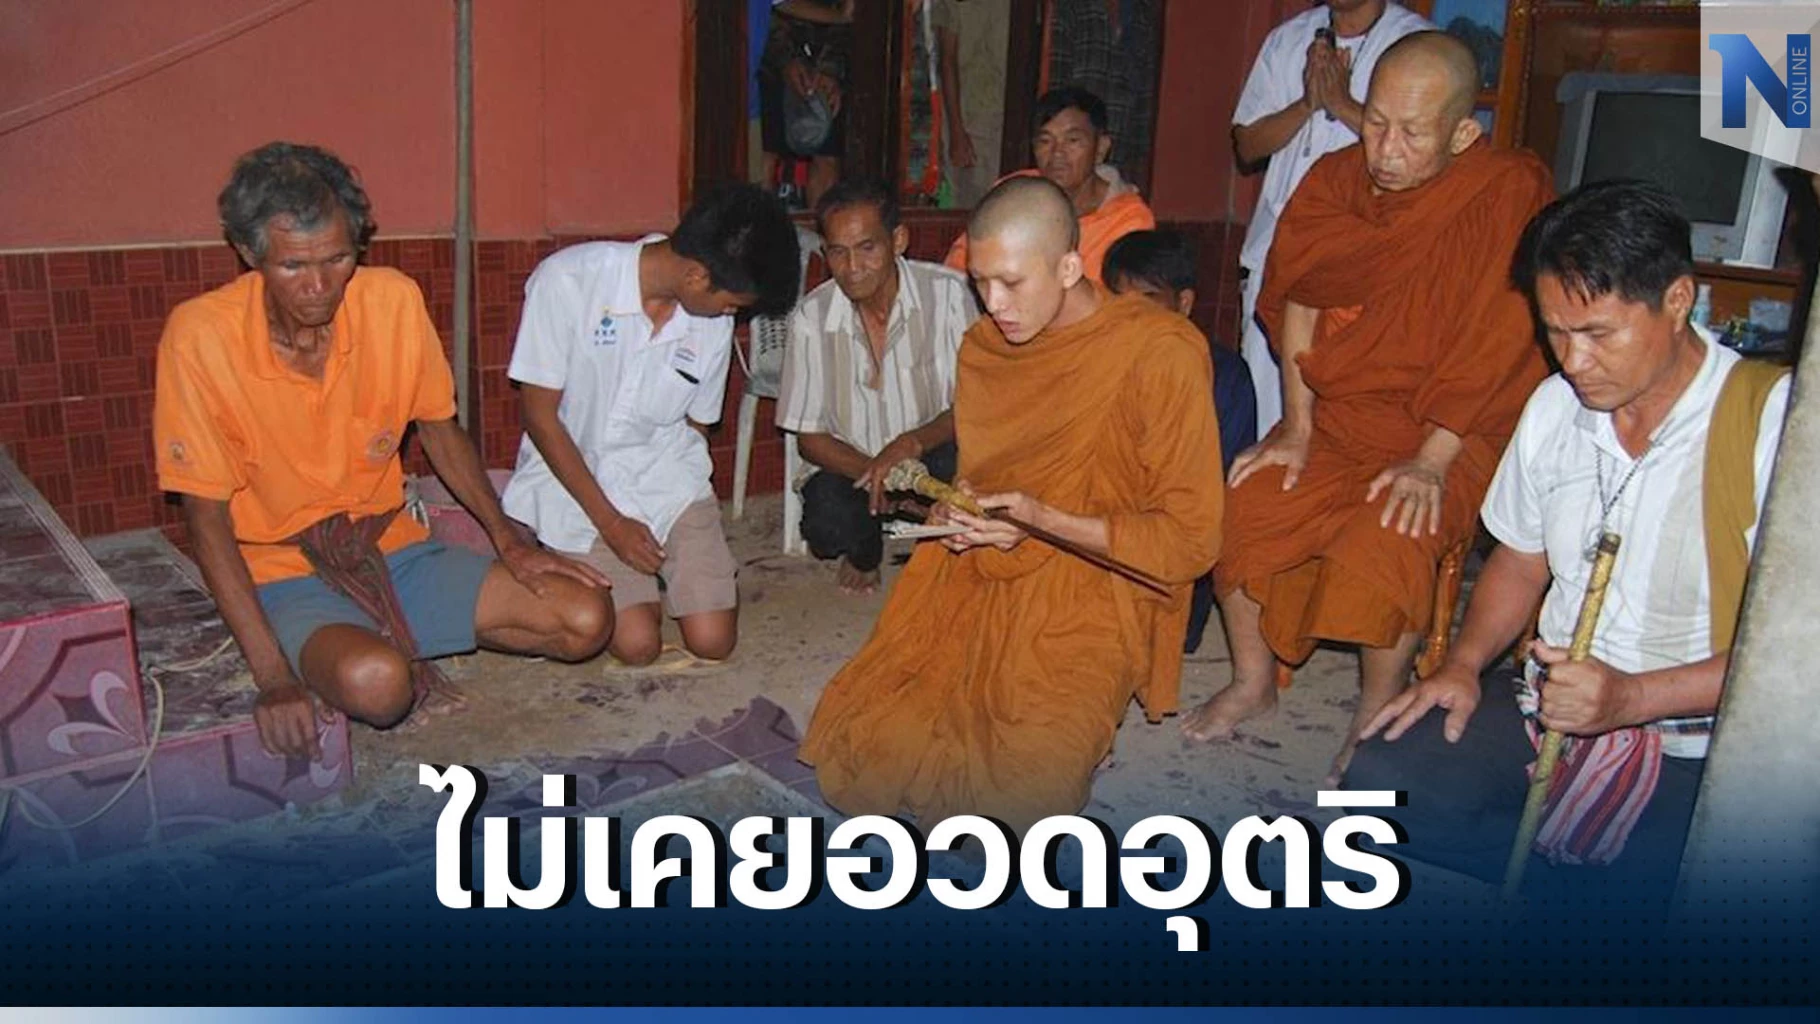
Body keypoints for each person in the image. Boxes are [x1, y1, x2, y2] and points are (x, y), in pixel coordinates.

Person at [1347, 180, 1791, 897]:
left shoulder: (1773, 426)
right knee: (1375, 791)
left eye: (1598, 334)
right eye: (1555, 332)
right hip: (1550, 704)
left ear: (1678, 300)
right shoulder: (1557, 406)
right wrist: (1463, 664)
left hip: (1694, 736)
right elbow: (1521, 562)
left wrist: (1631, 699)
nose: (1572, 361)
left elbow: (1792, 655)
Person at [154, 142, 613, 761]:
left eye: (338, 258)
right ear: (248, 252)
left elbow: (441, 430)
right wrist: (273, 676)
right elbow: (205, 518)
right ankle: (353, 643)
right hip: (284, 571)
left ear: (358, 245)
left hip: (390, 549)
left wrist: (510, 542)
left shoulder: (392, 300)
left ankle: (380, 628)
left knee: (584, 619)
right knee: (380, 686)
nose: (319, 286)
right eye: (293, 266)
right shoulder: (199, 336)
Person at [1179, 34, 1553, 784]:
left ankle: (1372, 712)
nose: (1385, 149)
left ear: (1462, 133)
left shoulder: (1506, 192)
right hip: (1340, 417)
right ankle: (1253, 682)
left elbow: (1501, 339)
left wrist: (1431, 461)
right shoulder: (1333, 181)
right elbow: (1299, 305)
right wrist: (1298, 427)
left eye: (1412, 133)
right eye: (1376, 122)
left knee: (1389, 536)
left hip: (1452, 428)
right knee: (1245, 500)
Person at [800, 177, 1224, 831]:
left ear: (1068, 267)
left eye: (1011, 283)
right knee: (871, 746)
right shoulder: (985, 349)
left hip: (1099, 580)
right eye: (980, 283)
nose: (994, 304)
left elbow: (1191, 540)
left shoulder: (1160, 351)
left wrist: (1041, 521)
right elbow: (984, 477)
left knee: (1019, 801)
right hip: (988, 563)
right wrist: (957, 510)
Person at [500, 183, 799, 666]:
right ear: (696, 276)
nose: (734, 315)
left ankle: (659, 572)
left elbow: (697, 428)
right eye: (734, 304)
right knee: (638, 646)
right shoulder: (567, 282)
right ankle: (577, 557)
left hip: (665, 478)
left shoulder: (711, 319)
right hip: (579, 483)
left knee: (712, 642)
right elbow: (538, 415)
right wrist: (612, 524)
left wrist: (686, 525)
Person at [1232, 0, 1432, 438]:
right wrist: (1307, 103)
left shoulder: (1416, 45)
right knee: (1266, 413)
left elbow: (1422, 153)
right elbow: (1247, 144)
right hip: (1278, 256)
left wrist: (1340, 102)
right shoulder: (1288, 39)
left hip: (1367, 259)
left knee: (1344, 416)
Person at [777, 178, 976, 595]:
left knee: (975, 478)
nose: (852, 267)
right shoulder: (812, 317)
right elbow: (809, 438)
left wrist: (909, 446)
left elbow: (976, 404)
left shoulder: (950, 295)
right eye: (838, 251)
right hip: (853, 465)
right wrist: (877, 474)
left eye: (867, 247)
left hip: (932, 449)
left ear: (898, 240)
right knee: (827, 524)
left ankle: (936, 550)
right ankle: (865, 552)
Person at [1103, 229, 1257, 655]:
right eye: (1120, 302)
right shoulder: (1098, 361)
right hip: (1101, 536)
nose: (1132, 317)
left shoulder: (1224, 375)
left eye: (1148, 301)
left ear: (1184, 304)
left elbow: (1212, 492)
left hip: (1174, 554)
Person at [944, 86, 1155, 283]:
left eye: (1072, 140)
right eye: (1045, 141)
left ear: (1101, 148)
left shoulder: (1129, 218)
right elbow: (959, 267)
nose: (1057, 153)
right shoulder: (1014, 192)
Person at [757, 0, 855, 209]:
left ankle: (822, 225)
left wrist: (830, 69)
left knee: (827, 156)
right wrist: (785, 60)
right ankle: (757, 223)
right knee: (763, 151)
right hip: (772, 53)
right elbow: (765, 11)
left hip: (835, 55)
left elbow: (851, 17)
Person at [932, 0, 1012, 209]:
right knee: (970, 205)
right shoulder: (953, 4)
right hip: (970, 120)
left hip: (1007, 117)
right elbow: (947, 62)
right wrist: (957, 131)